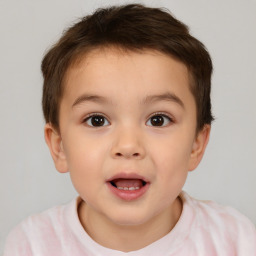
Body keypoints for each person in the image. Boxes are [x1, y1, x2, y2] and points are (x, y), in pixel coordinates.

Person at [3, 4, 256, 255]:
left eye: (158, 120)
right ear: (59, 147)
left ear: (196, 145)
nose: (128, 146)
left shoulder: (236, 241)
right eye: (97, 120)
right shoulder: (30, 246)